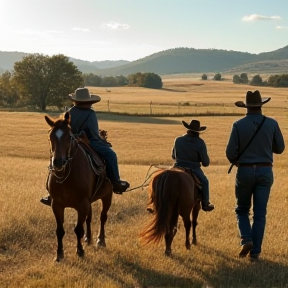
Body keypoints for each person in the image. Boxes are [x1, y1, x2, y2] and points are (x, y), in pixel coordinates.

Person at [40, 87, 130, 206]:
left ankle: (52, 194)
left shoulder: (69, 112)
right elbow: (92, 133)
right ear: (88, 102)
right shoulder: (90, 113)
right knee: (111, 154)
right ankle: (116, 182)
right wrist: (101, 139)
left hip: (71, 141)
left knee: (55, 161)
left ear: (76, 101)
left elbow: (66, 130)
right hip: (90, 141)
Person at [226, 90, 285, 261]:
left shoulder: (238, 125)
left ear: (246, 107)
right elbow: (280, 148)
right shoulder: (272, 123)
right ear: (261, 105)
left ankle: (246, 239)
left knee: (242, 209)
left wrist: (239, 162)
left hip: (244, 170)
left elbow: (230, 152)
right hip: (265, 171)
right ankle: (256, 252)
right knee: (260, 213)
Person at [172, 119, 214, 212]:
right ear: (198, 132)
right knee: (205, 181)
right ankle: (205, 204)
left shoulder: (178, 140)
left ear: (188, 129)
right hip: (194, 168)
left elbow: (173, 156)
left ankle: (153, 202)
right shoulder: (200, 142)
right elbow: (206, 163)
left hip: (177, 166)